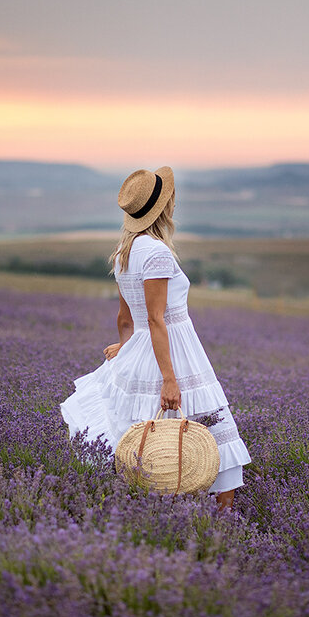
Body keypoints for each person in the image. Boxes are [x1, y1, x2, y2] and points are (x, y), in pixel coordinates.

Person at [60, 166, 251, 508]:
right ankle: (223, 523)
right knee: (218, 436)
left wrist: (128, 346)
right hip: (174, 350)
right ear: (163, 208)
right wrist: (168, 379)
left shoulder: (124, 253)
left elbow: (126, 318)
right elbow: (155, 318)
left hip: (143, 349)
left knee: (138, 439)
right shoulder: (158, 253)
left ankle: (140, 508)